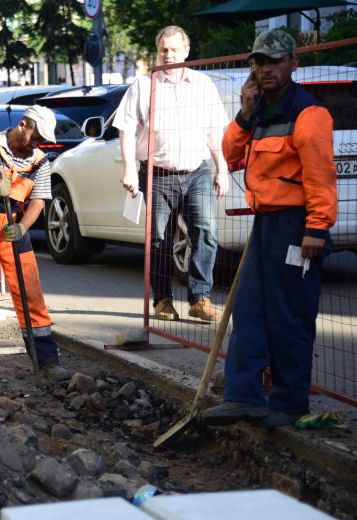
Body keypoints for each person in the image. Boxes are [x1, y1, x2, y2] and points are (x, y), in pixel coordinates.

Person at [203, 30, 337, 428]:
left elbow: (321, 177)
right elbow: (229, 156)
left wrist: (316, 229)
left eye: (276, 61)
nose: (266, 69)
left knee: (289, 315)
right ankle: (244, 398)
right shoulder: (257, 112)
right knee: (248, 311)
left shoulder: (309, 114)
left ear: (294, 64)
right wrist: (245, 113)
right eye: (260, 62)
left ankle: (289, 402)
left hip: (297, 227)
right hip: (265, 223)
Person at [113, 25, 230, 322]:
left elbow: (213, 131)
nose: (168, 55)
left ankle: (200, 298)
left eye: (174, 49)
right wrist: (128, 169)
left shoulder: (202, 84)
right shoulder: (144, 86)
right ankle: (162, 299)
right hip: (157, 173)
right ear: (158, 52)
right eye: (164, 50)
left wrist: (222, 168)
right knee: (159, 240)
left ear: (186, 52)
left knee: (206, 232)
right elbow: (125, 130)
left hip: (197, 171)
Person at [0, 105, 71, 383]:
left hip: (14, 231)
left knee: (31, 295)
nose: (38, 143)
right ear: (23, 125)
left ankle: (46, 362)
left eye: (41, 140)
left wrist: (22, 227)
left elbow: (38, 201)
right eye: (35, 136)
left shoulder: (41, 162)